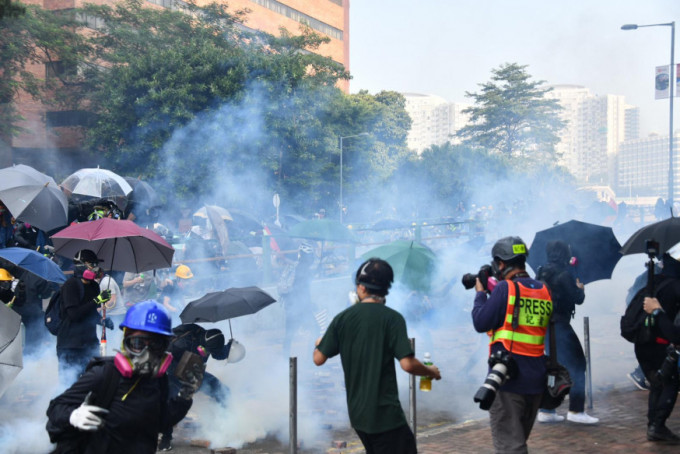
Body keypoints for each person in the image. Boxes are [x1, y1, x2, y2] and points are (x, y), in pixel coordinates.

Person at [314, 258, 441, 454]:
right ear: (386, 289)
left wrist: (318, 344)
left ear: (360, 288)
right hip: (385, 416)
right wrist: (430, 371)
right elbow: (408, 364)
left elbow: (318, 358)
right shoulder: (392, 318)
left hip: (358, 416)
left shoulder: (342, 318)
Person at [46, 300, 196, 453]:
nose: (146, 353)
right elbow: (56, 408)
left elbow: (160, 422)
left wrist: (185, 397)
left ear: (164, 347)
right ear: (126, 342)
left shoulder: (159, 380)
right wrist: (73, 416)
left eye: (155, 345)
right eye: (138, 343)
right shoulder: (104, 375)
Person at [471, 236, 552, 454]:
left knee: (510, 448)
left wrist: (480, 294)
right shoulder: (544, 290)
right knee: (518, 442)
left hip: (508, 380)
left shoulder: (505, 289)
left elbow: (480, 322)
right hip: (535, 380)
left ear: (501, 263)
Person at [536, 241, 598, 424]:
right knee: (578, 364)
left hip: (544, 326)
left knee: (553, 366)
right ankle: (576, 410)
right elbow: (577, 299)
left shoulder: (541, 272)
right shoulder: (564, 275)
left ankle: (546, 409)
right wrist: (581, 289)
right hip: (560, 325)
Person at [158, 323, 232, 451]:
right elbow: (162, 358)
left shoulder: (211, 343)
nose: (208, 353)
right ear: (203, 343)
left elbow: (218, 354)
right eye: (207, 350)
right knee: (169, 403)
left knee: (223, 392)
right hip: (174, 375)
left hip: (195, 372)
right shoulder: (181, 343)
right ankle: (166, 439)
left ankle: (225, 426)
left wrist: (229, 348)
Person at [636, 252, 680, 443]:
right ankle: (657, 426)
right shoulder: (675, 287)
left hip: (643, 343)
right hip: (660, 345)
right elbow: (676, 334)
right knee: (669, 382)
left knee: (658, 383)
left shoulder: (653, 282)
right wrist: (658, 311)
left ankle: (653, 425)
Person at [57, 249, 112, 380]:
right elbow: (74, 315)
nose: (95, 269)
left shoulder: (94, 286)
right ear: (81, 265)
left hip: (89, 343)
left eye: (95, 265)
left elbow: (90, 313)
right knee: (70, 384)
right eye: (92, 265)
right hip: (71, 345)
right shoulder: (70, 285)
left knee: (92, 381)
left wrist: (102, 321)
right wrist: (97, 300)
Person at [278, 243, 316, 355]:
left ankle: (285, 358)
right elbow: (302, 292)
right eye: (311, 256)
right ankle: (310, 358)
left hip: (290, 306)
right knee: (315, 330)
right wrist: (309, 305)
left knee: (289, 334)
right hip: (300, 308)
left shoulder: (294, 267)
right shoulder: (304, 270)